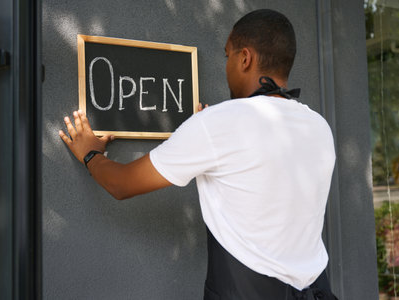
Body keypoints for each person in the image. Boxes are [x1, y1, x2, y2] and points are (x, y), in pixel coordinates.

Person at [59, 9, 337, 300]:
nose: (226, 64)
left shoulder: (219, 124)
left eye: (227, 55)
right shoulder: (318, 127)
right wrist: (206, 134)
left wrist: (91, 154)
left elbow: (122, 184)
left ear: (245, 58)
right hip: (318, 289)